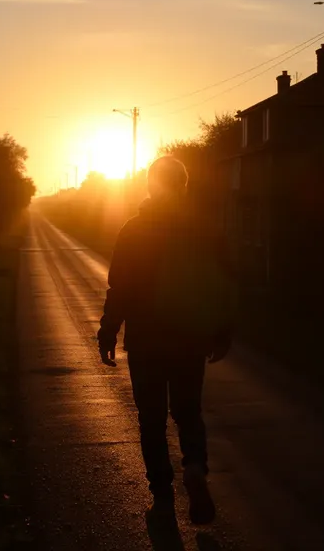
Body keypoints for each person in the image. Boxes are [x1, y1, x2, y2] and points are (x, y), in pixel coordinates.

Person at [97, 156, 233, 525]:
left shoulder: (134, 229)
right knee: (188, 413)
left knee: (152, 420)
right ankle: (195, 468)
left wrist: (108, 331)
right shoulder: (204, 228)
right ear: (184, 185)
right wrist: (223, 331)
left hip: (146, 342)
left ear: (151, 187)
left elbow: (119, 287)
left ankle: (162, 498)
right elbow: (224, 283)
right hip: (190, 338)